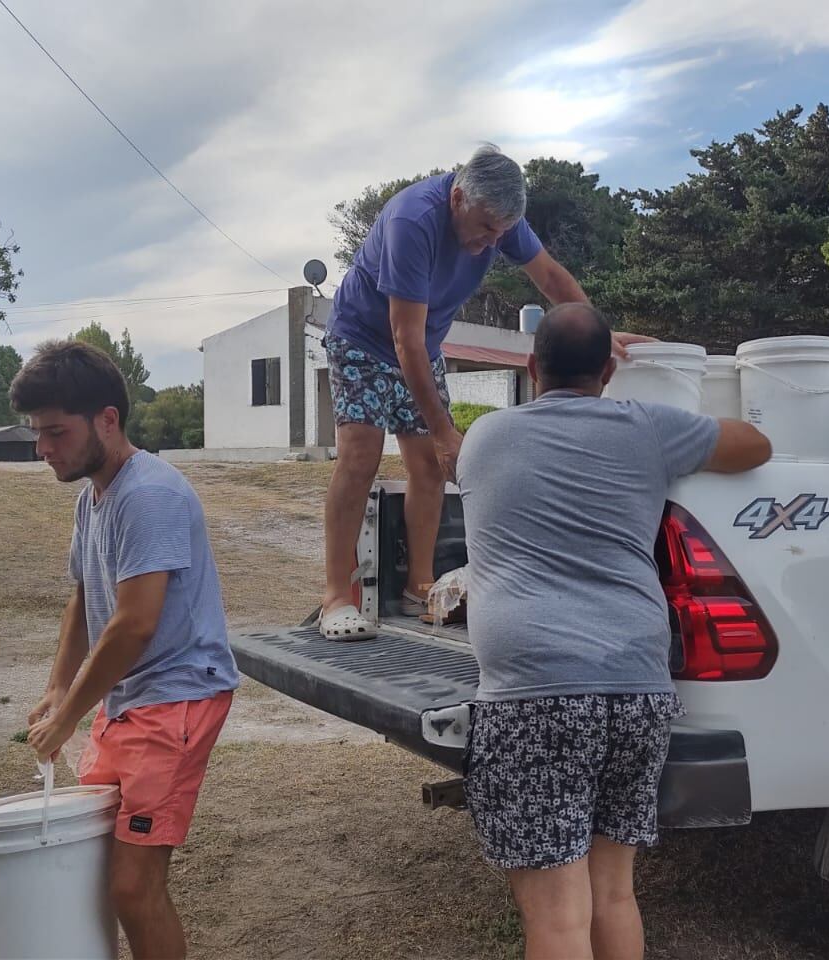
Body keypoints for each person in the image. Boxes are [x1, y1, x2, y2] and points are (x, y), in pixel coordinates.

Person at [455, 304, 771, 960]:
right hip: (637, 691)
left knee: (558, 917)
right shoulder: (648, 429)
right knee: (614, 893)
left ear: (531, 367)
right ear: (607, 371)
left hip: (531, 697)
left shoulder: (486, 438)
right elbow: (755, 444)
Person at [318, 143, 651, 639]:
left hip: (420, 343)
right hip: (365, 338)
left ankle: (419, 588)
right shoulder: (413, 222)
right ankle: (335, 598)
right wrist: (443, 431)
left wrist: (599, 336)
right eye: (485, 230)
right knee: (361, 458)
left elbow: (550, 277)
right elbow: (403, 338)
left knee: (430, 467)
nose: (490, 243)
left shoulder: (499, 221)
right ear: (457, 199)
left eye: (501, 233)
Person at [10, 341, 240, 960]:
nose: (43, 449)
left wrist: (69, 715)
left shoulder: (150, 494)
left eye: (55, 432)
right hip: (128, 702)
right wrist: (58, 689)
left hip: (177, 699)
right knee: (97, 866)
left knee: (134, 888)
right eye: (38, 434)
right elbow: (85, 599)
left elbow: (135, 624)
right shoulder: (95, 497)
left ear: (107, 419)